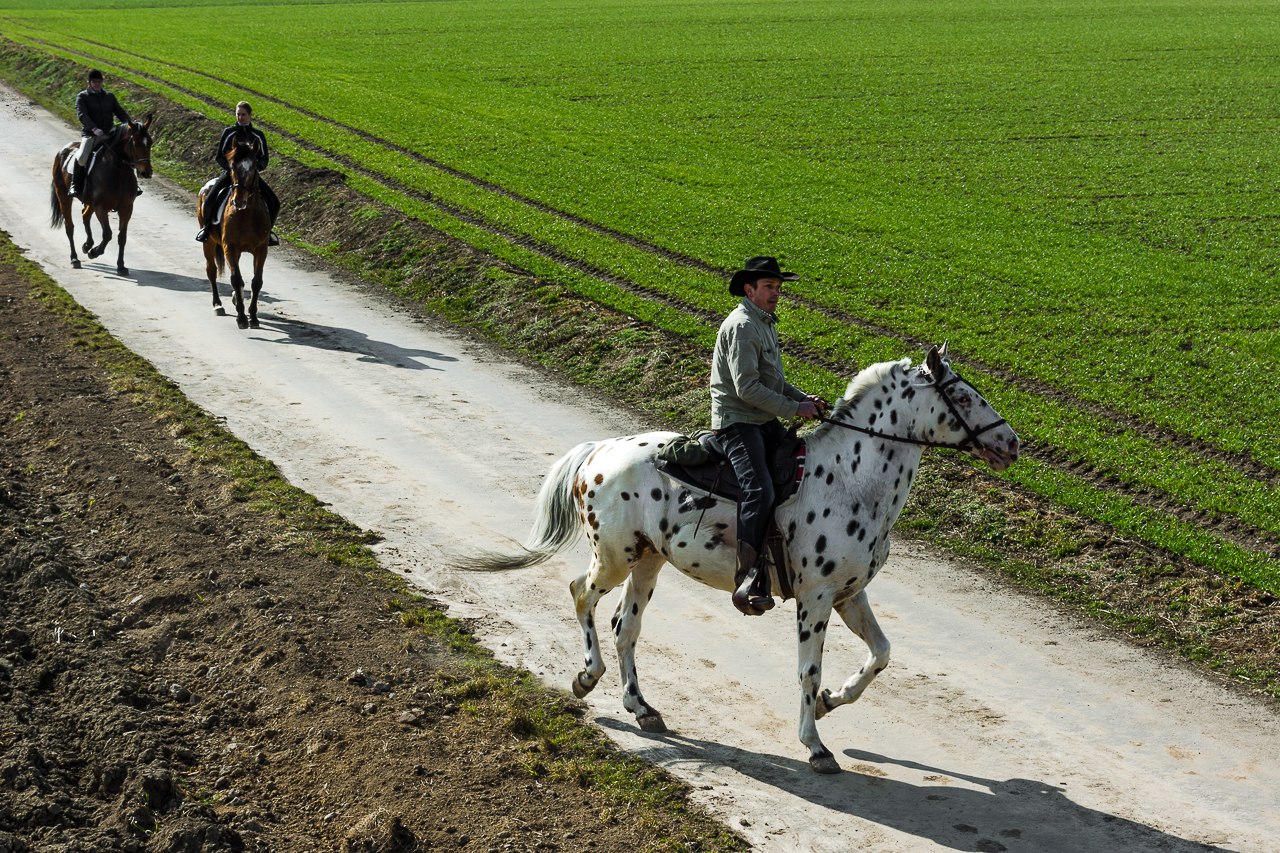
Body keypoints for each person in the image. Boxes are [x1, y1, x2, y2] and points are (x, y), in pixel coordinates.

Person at [711, 256, 827, 616]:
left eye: (778, 288)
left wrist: (801, 398)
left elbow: (771, 381)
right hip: (738, 421)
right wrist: (794, 410)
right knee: (759, 488)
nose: (776, 293)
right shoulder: (743, 326)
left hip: (761, 419)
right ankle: (747, 578)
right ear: (750, 290)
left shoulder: (764, 322)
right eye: (769, 287)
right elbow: (746, 389)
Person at [195, 101, 280, 246]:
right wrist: (230, 169)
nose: (240, 118)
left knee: (275, 202)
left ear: (250, 115)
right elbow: (219, 156)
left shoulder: (258, 135)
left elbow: (264, 158)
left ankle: (268, 233)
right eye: (238, 115)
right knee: (209, 201)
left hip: (250, 177)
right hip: (230, 175)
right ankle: (207, 229)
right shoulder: (229, 133)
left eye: (243, 115)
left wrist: (257, 168)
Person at [71, 69, 135, 200]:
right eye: (95, 82)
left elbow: (119, 112)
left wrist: (130, 123)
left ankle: (133, 185)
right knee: (82, 157)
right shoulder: (82, 97)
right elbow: (82, 115)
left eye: (100, 82)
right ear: (89, 83)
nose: (98, 84)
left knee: (127, 153)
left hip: (110, 134)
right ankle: (75, 184)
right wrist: (94, 129)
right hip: (91, 134)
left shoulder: (109, 96)